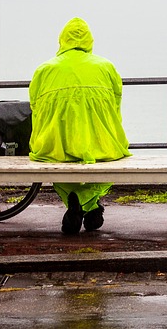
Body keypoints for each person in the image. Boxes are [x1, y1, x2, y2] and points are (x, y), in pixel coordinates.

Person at [28, 17, 130, 235]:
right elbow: (116, 104)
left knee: (51, 162)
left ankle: (77, 202)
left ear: (62, 40)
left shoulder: (44, 69)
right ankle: (88, 203)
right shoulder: (106, 67)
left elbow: (35, 107)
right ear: (89, 41)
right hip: (99, 143)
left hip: (56, 144)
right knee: (116, 159)